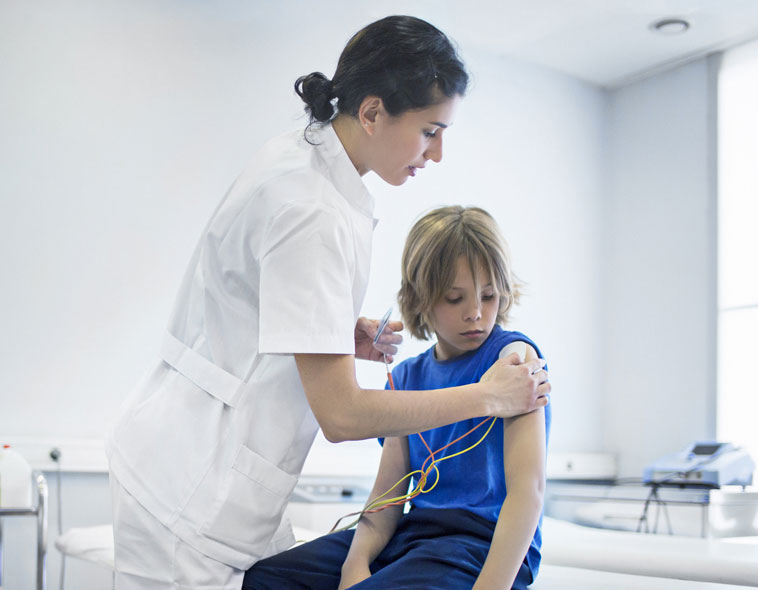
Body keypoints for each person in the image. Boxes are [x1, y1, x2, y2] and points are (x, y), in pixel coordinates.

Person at [105, 16, 550, 590]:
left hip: (202, 462)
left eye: (487, 296)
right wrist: (487, 396)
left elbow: (527, 491)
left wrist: (331, 331)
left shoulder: (301, 162)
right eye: (429, 131)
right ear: (372, 113)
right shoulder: (313, 210)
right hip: (191, 487)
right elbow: (341, 417)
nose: (436, 154)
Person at [243, 205, 551, 590]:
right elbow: (386, 498)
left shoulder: (515, 363)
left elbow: (528, 494)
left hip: (479, 544)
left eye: (488, 296)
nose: (475, 313)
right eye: (455, 299)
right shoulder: (407, 377)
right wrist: (353, 567)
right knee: (264, 580)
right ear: (421, 299)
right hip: (414, 536)